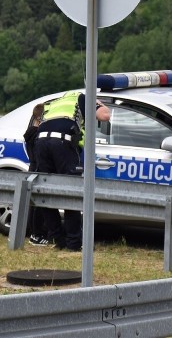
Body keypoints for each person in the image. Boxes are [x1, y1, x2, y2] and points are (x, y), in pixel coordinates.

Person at [34, 90, 110, 251]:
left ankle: (59, 239)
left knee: (45, 193)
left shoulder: (55, 102)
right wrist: (100, 104)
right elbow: (105, 116)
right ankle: (74, 243)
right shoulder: (82, 97)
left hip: (40, 143)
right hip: (62, 143)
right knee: (72, 192)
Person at [24, 103, 51, 246]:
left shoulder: (30, 132)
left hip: (33, 167)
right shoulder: (37, 134)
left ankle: (35, 233)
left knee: (34, 203)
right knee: (38, 204)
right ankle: (37, 234)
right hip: (38, 168)